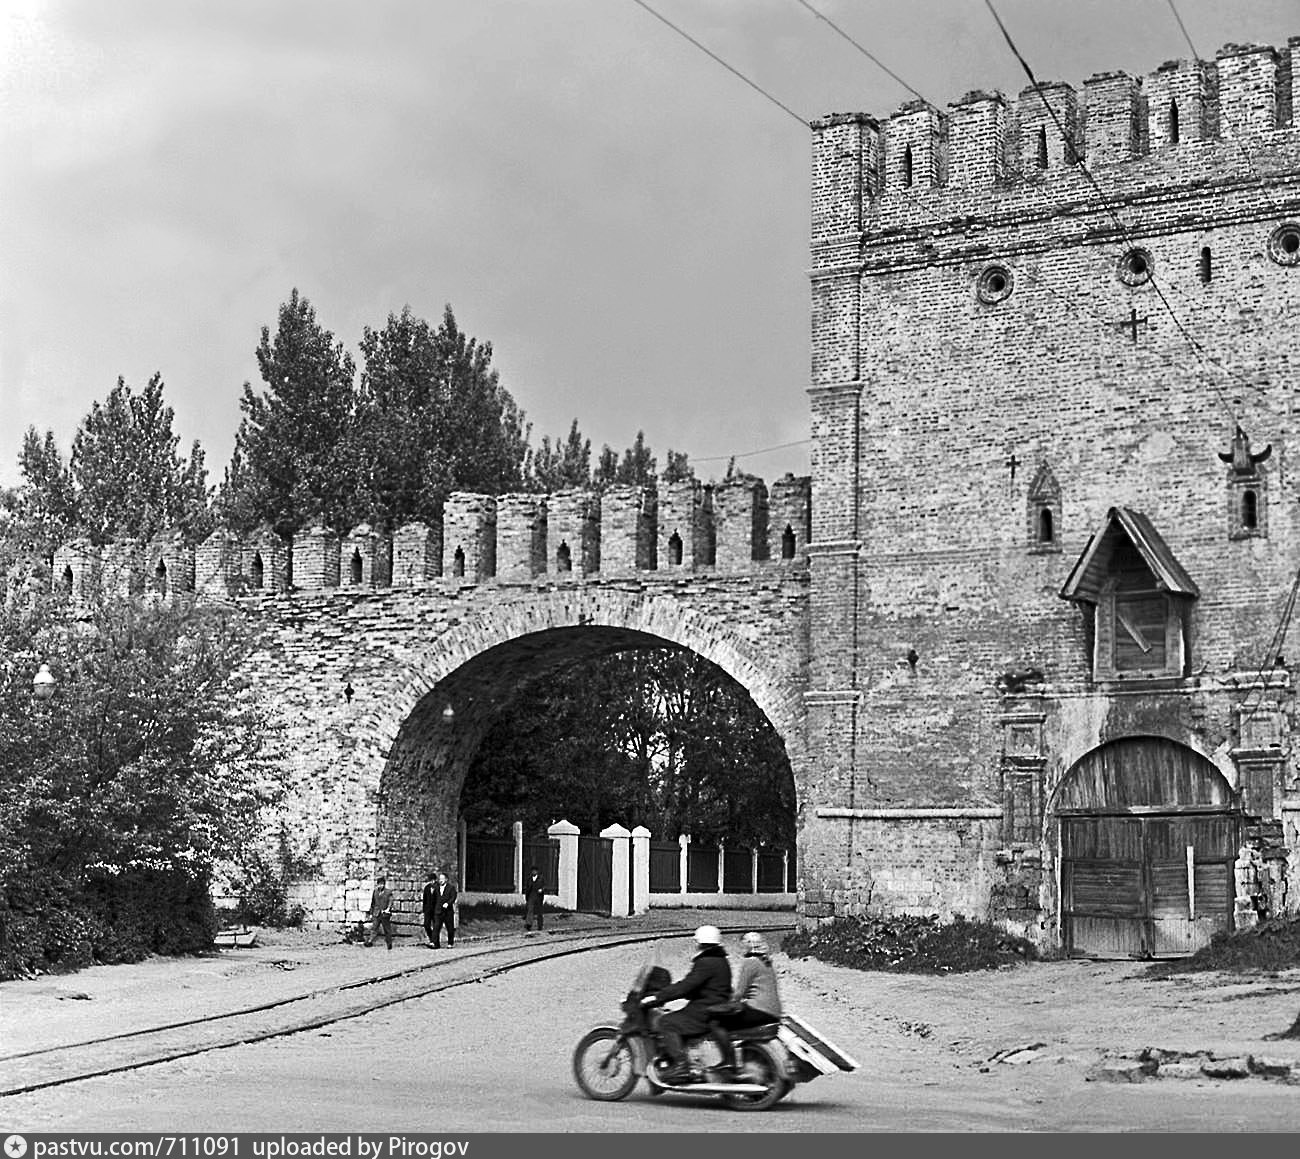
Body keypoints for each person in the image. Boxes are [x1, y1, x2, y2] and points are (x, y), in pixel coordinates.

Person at [641, 925, 731, 1083]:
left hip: (705, 1010)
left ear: (702, 944)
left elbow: (685, 986)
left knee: (667, 1022)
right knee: (676, 1017)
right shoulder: (721, 960)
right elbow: (700, 987)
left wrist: (659, 997)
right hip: (714, 1005)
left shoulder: (706, 962)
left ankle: (681, 1066)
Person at [364, 876, 394, 950]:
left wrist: (388, 909)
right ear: (377, 884)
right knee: (374, 928)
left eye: (382, 884)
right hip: (376, 913)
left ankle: (389, 943)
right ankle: (370, 941)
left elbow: (391, 901)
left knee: (387, 929)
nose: (381, 886)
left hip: (384, 913)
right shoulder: (375, 892)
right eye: (379, 884)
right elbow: (373, 903)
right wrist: (371, 913)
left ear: (384, 884)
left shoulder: (388, 892)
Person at [431, 870, 458, 948]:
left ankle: (450, 943)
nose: (441, 880)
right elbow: (434, 899)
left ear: (446, 879)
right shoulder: (436, 888)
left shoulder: (451, 888)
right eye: (440, 879)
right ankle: (435, 943)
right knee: (436, 927)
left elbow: (453, 897)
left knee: (450, 928)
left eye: (442, 879)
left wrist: (448, 903)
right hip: (438, 911)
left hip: (447, 911)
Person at [421, 868, 440, 947]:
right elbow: (425, 900)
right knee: (426, 925)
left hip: (436, 910)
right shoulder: (427, 888)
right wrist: (424, 909)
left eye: (433, 880)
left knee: (436, 926)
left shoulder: (439, 888)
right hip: (428, 910)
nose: (432, 882)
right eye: (430, 880)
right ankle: (432, 939)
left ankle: (435, 943)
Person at [523, 865, 545, 932]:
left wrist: (541, 890)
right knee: (530, 910)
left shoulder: (541, 879)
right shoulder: (529, 879)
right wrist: (527, 896)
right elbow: (527, 888)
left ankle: (540, 925)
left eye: (535, 871)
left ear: (537, 872)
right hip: (531, 896)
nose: (534, 872)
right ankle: (528, 924)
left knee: (539, 911)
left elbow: (544, 886)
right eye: (533, 871)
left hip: (538, 896)